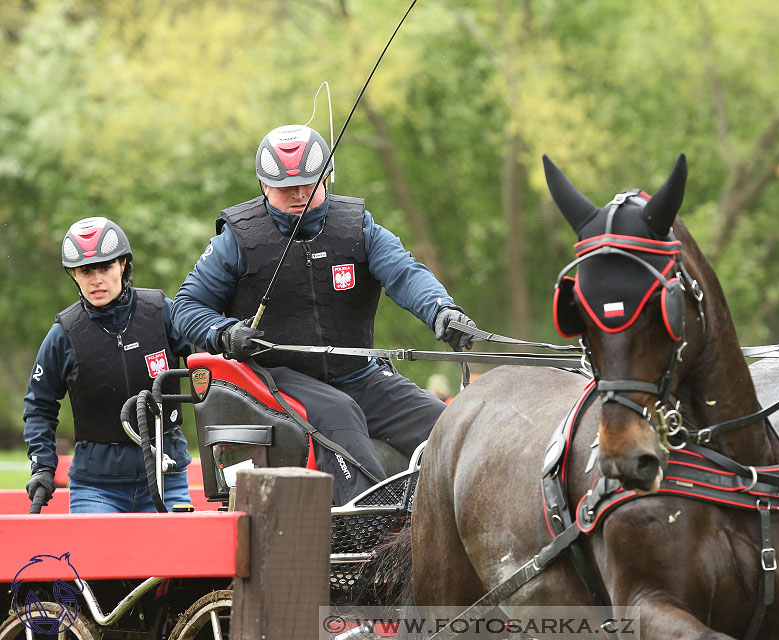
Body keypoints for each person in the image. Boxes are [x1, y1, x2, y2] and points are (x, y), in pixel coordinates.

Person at [173, 124, 476, 505]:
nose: (299, 194)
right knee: (339, 410)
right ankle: (371, 538)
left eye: (308, 183)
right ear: (265, 186)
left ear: (327, 177)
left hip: (360, 375)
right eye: (286, 187)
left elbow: (405, 273)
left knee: (452, 425)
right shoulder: (235, 240)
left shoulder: (359, 226)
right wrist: (225, 332)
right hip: (277, 379)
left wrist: (441, 311)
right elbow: (184, 308)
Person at [24, 217, 193, 513]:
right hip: (95, 487)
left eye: (105, 267)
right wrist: (42, 466)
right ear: (73, 274)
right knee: (95, 562)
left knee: (172, 561)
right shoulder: (64, 333)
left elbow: (210, 368)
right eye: (86, 271)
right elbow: (39, 405)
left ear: (123, 265)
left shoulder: (160, 311)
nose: (96, 279)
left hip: (167, 474)